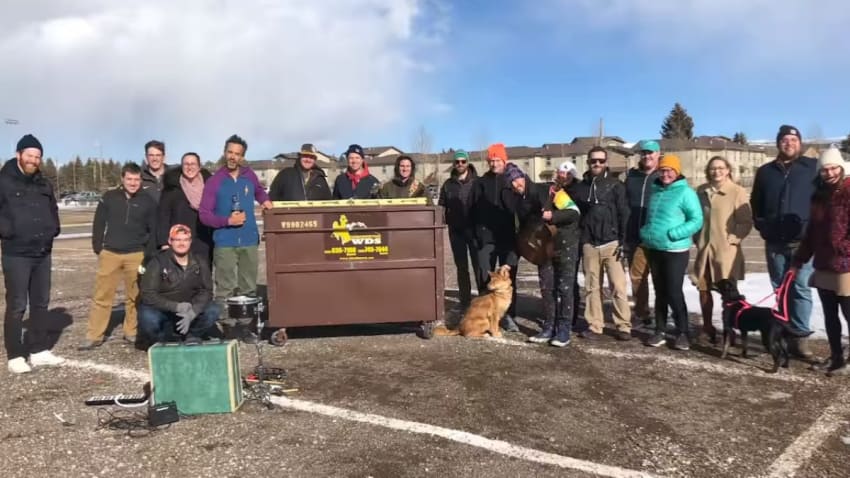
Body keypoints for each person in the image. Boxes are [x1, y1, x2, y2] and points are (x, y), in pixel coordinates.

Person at [750, 125, 819, 358]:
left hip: (803, 242)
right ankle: (784, 331)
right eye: (784, 140)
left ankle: (800, 338)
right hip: (774, 242)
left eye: (793, 139)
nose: (789, 143)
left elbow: (823, 199)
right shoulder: (766, 172)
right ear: (778, 143)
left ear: (800, 143)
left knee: (800, 288)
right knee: (780, 288)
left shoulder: (812, 168)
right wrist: (762, 225)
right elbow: (756, 202)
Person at [199, 134, 272, 342]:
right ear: (224, 153)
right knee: (226, 288)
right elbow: (204, 214)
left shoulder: (250, 176)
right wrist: (227, 221)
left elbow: (259, 192)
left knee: (248, 287)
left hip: (249, 240)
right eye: (230, 152)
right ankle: (228, 328)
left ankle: (246, 326)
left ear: (242, 156)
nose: (233, 157)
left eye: (237, 154)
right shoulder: (214, 181)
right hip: (225, 242)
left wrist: (266, 201)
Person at [0, 134, 64, 373]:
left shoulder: (43, 183)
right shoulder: (4, 181)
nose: (33, 160)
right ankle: (15, 355)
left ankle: (38, 350)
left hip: (42, 252)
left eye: (37, 157)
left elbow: (52, 209)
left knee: (40, 303)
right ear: (19, 154)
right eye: (29, 155)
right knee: (17, 305)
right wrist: (7, 230)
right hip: (16, 253)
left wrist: (53, 229)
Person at [81, 162, 158, 350]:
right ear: (122, 179)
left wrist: (148, 254)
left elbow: (153, 230)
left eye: (136, 179)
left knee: (135, 297)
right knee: (102, 295)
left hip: (136, 254)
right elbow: (99, 223)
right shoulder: (109, 197)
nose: (133, 183)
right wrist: (98, 247)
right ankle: (94, 335)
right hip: (111, 253)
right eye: (129, 179)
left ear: (141, 180)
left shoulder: (148, 201)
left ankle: (131, 331)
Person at [791, 147, 850, 376]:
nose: (830, 173)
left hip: (845, 265)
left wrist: (841, 248)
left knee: (848, 313)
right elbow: (811, 233)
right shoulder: (819, 196)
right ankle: (835, 356)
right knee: (830, 315)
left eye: (833, 168)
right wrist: (799, 260)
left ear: (841, 168)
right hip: (824, 264)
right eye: (825, 170)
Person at [508, 164, 581, 347]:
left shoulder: (549, 190)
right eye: (511, 182)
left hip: (565, 244)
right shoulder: (519, 201)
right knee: (547, 288)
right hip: (543, 248)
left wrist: (553, 216)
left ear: (523, 176)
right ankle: (549, 327)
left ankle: (563, 330)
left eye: (517, 179)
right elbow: (525, 228)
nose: (516, 184)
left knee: (565, 288)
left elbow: (574, 212)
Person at [641, 155, 703, 350]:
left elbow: (696, 219)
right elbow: (650, 217)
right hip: (654, 248)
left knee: (674, 291)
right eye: (662, 170)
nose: (665, 174)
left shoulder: (686, 192)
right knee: (660, 291)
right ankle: (659, 329)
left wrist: (675, 233)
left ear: (677, 171)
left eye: (669, 170)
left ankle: (683, 331)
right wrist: (645, 232)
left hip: (675, 249)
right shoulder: (655, 191)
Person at [572, 146, 632, 341]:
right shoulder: (581, 188)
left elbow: (624, 213)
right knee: (592, 287)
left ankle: (623, 325)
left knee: (618, 286)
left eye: (600, 160)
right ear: (588, 162)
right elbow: (573, 213)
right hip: (589, 244)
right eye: (593, 161)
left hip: (611, 243)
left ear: (606, 163)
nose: (597, 163)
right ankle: (595, 325)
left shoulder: (615, 185)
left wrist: (623, 241)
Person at [692, 156, 753, 344]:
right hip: (705, 249)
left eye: (720, 168)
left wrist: (734, 238)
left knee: (728, 294)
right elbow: (696, 217)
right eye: (712, 168)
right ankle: (707, 327)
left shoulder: (737, 191)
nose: (716, 171)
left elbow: (745, 221)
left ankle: (730, 330)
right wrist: (697, 238)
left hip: (726, 251)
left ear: (728, 170)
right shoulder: (701, 191)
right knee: (703, 288)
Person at [139, 224, 220, 345]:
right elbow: (148, 294)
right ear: (170, 241)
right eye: (177, 240)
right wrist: (176, 307)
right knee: (148, 317)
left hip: (189, 307)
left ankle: (192, 335)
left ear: (190, 241)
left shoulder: (199, 261)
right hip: (163, 308)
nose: (182, 243)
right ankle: (163, 340)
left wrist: (194, 311)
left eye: (185, 240)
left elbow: (207, 291)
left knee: (213, 310)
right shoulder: (157, 262)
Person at [470, 143, 520, 331]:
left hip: (508, 237)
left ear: (504, 161)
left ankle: (508, 315)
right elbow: (472, 210)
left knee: (508, 276)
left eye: (497, 160)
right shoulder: (480, 183)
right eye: (491, 160)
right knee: (485, 276)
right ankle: (484, 312)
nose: (494, 163)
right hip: (486, 238)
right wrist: (476, 235)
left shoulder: (511, 181)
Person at [624, 140, 661, 327]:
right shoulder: (632, 177)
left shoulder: (664, 176)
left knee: (661, 278)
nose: (647, 156)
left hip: (658, 237)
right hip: (635, 236)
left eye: (650, 152)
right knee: (638, 278)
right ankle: (641, 313)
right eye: (644, 153)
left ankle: (662, 316)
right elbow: (623, 204)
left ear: (658, 154)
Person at [438, 150, 480, 311]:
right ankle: (465, 300)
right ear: (454, 164)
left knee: (479, 265)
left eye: (463, 161)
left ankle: (483, 298)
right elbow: (441, 205)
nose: (460, 164)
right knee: (461, 267)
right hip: (456, 231)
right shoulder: (448, 185)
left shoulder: (477, 182)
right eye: (457, 162)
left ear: (468, 163)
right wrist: (441, 221)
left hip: (475, 230)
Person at [157, 152, 214, 266]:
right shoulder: (171, 189)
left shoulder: (209, 187)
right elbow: (163, 216)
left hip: (204, 241)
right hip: (179, 241)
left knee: (203, 272)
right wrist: (164, 243)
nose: (189, 167)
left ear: (199, 166)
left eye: (193, 164)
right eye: (186, 164)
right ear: (181, 166)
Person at [268, 143, 332, 201]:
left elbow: (329, 201)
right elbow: (272, 196)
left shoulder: (320, 179)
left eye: (311, 157)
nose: (308, 160)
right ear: (300, 157)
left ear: (314, 160)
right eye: (305, 156)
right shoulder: (285, 174)